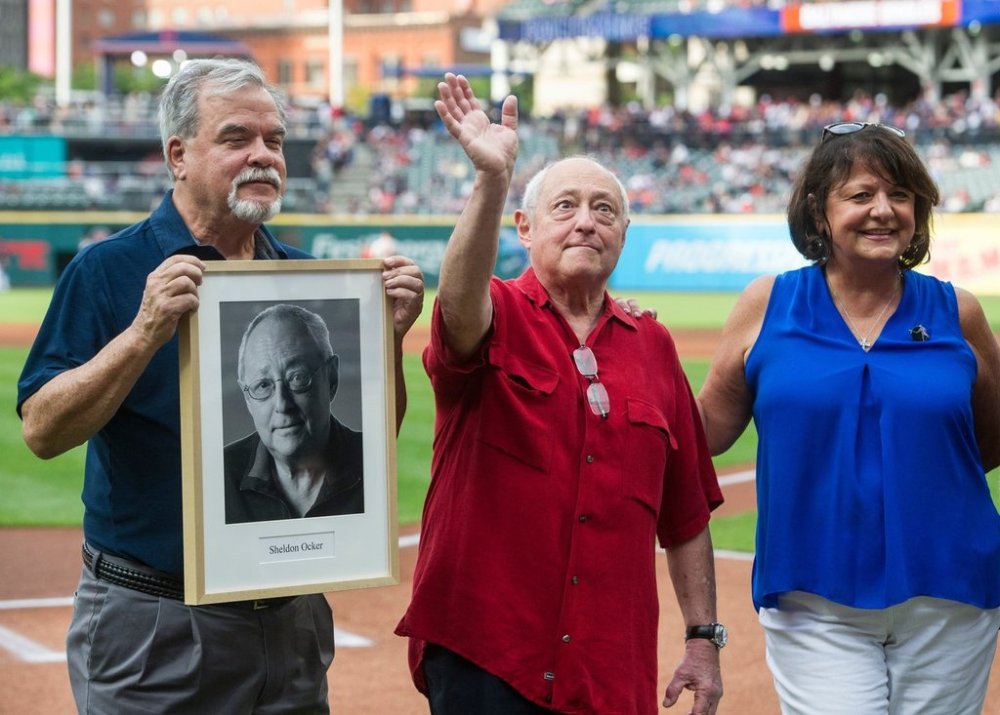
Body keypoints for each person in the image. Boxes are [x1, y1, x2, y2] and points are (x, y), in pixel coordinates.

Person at [16, 58, 424, 713]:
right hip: (156, 624)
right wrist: (142, 333)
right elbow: (42, 429)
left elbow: (370, 441)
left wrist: (389, 343)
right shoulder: (107, 271)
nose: (263, 155)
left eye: (274, 140)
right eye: (237, 138)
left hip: (290, 620)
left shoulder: (307, 279)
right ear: (178, 155)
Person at [395, 73, 725, 715]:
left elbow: (686, 516)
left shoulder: (654, 346)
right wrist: (491, 179)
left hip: (610, 667)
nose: (585, 223)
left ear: (623, 233)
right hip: (488, 654)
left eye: (604, 210)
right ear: (524, 227)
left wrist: (703, 639)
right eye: (565, 207)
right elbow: (457, 308)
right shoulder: (495, 312)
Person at [697, 121, 1000, 714]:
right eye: (861, 195)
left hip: (949, 594)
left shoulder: (957, 312)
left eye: (900, 195)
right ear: (819, 211)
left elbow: (990, 439)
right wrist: (638, 358)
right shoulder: (768, 304)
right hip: (812, 594)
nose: (883, 210)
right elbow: (706, 430)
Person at [224, 303, 364, 524]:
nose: (282, 404)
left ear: (331, 377)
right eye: (263, 385)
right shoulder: (218, 476)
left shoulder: (373, 459)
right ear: (247, 399)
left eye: (297, 377)